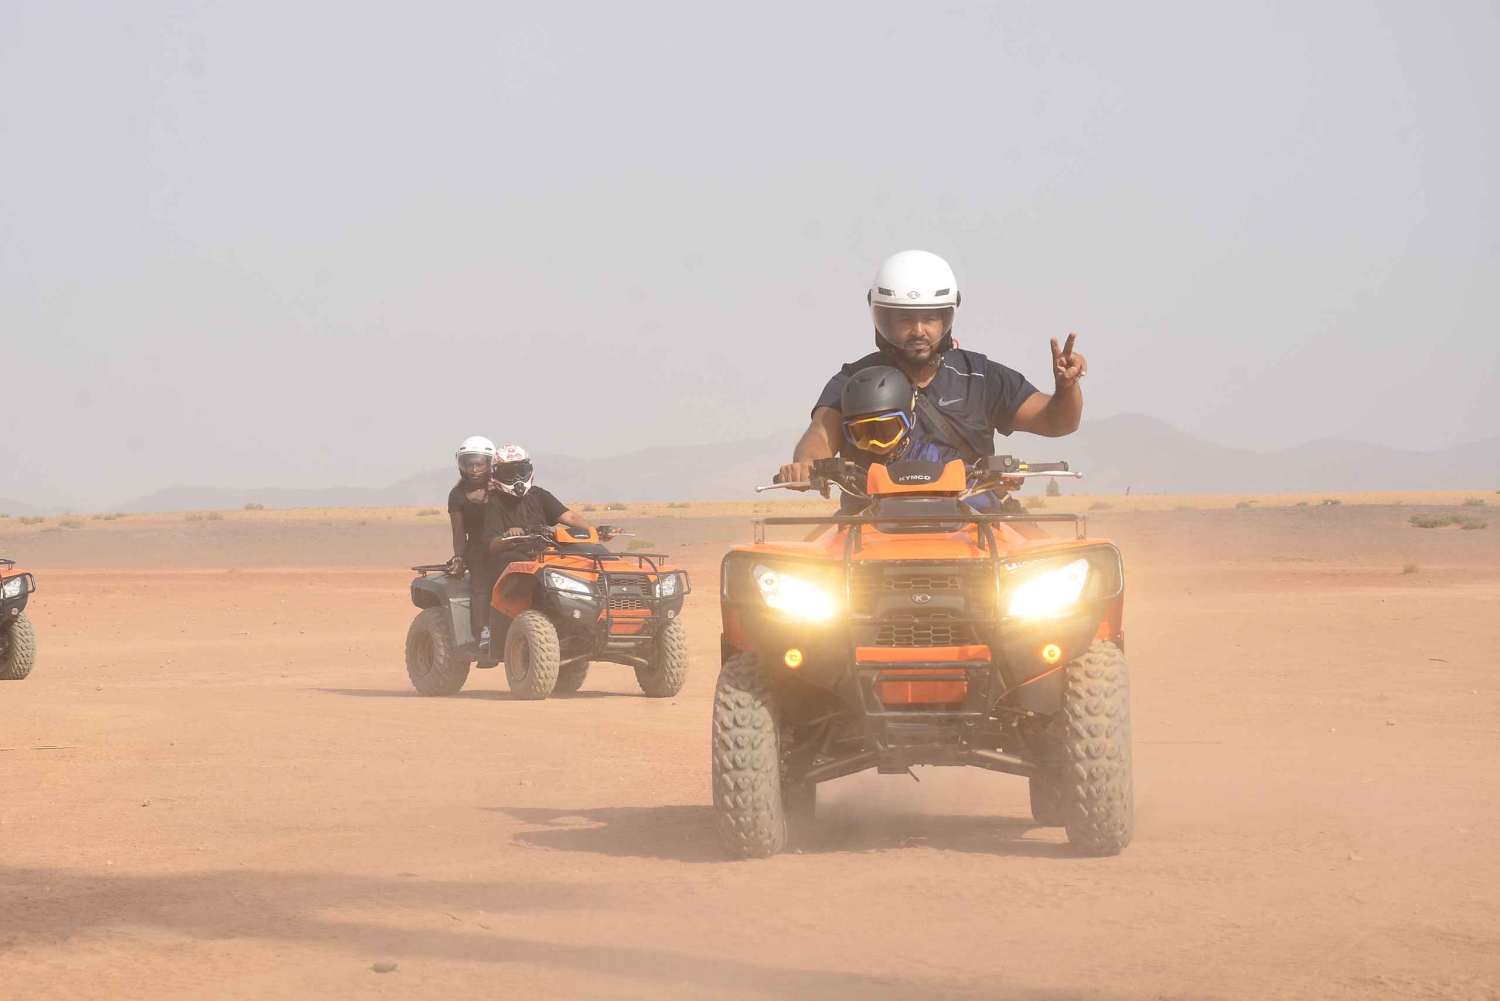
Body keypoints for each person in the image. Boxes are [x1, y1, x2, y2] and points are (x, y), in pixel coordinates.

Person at [779, 249, 1088, 491]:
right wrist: (806, 464)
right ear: (884, 320)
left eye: (929, 318)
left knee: (1053, 551)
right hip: (868, 520)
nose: (918, 330)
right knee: (805, 554)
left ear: (945, 319)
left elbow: (1058, 422)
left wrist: (1067, 388)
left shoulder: (981, 377)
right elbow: (819, 436)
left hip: (976, 517)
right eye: (905, 319)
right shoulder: (854, 381)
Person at [447, 436, 499, 649]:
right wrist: (459, 557)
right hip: (478, 547)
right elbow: (459, 533)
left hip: (504, 542)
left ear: (490, 463)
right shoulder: (457, 494)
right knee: (481, 583)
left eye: (479, 464)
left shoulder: (501, 487)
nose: (474, 470)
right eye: (469, 464)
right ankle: (483, 631)